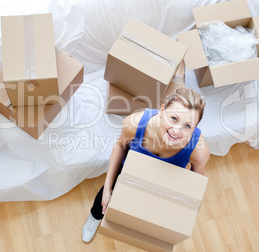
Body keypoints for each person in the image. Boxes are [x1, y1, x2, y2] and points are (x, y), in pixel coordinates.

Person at [81, 87, 210, 243]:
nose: (177, 131)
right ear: (162, 111)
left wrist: (185, 214)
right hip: (131, 168)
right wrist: (108, 188)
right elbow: (121, 146)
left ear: (195, 128)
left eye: (187, 126)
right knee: (103, 197)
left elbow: (194, 188)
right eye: (174, 118)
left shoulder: (199, 150)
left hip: (168, 178)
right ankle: (95, 217)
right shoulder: (135, 123)